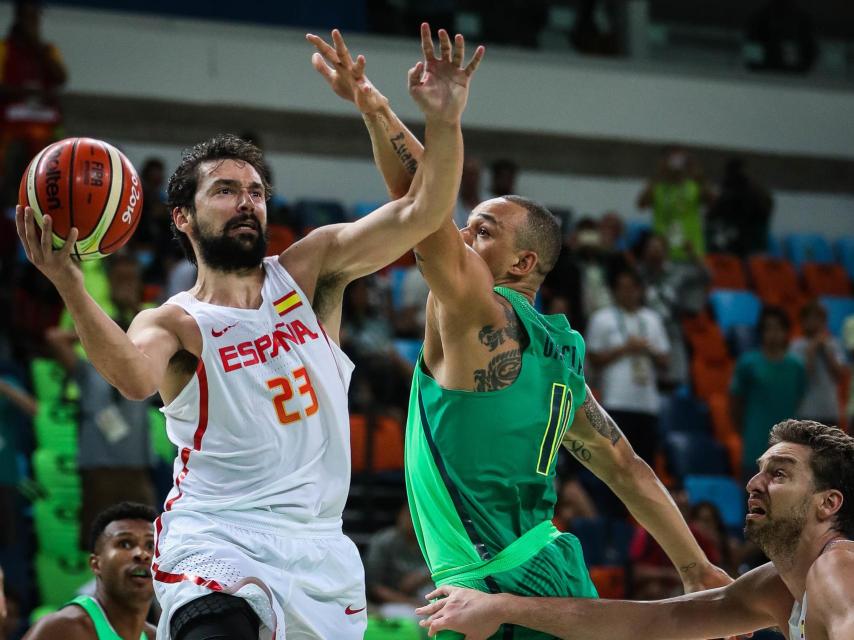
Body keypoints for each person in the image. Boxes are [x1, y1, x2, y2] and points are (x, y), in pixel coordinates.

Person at [17, 23, 483, 640]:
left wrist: (413, 113)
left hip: (318, 547)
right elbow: (132, 377)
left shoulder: (312, 269)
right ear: (183, 217)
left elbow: (425, 210)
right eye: (227, 190)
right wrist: (70, 285)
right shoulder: (175, 320)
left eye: (257, 192)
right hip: (216, 537)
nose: (247, 202)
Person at [310, 30, 731, 640]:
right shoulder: (562, 355)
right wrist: (695, 568)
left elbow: (420, 208)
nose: (462, 235)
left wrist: (396, 111)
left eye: (481, 231)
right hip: (557, 577)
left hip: (494, 587)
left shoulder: (479, 312)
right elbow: (628, 468)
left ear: (522, 265)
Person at [418, 420, 854, 640]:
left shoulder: (837, 570)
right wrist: (502, 607)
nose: (754, 484)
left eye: (779, 475)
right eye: (759, 471)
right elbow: (655, 619)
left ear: (828, 503)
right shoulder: (776, 587)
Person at [45, 253, 158, 547]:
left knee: (146, 542)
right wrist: (95, 331)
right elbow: (55, 338)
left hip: (136, 467)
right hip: (97, 467)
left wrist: (130, 310)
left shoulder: (146, 326)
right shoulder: (89, 370)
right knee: (98, 543)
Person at [23, 501, 158, 640]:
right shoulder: (62, 629)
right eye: (125, 543)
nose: (142, 554)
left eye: (150, 545)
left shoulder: (155, 636)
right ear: (96, 564)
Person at [586, 267, 670, 466]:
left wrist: (647, 350)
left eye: (632, 288)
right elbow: (593, 359)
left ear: (640, 290)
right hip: (615, 402)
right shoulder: (602, 318)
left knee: (646, 466)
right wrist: (625, 348)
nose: (628, 293)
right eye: (623, 288)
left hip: (647, 404)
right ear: (615, 291)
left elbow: (666, 361)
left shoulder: (652, 319)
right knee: (616, 465)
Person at [731, 306, 806, 481]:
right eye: (768, 328)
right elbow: (735, 402)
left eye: (778, 328)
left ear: (786, 332)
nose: (773, 333)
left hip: (787, 448)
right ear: (761, 332)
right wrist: (745, 431)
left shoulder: (796, 366)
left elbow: (798, 398)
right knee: (753, 502)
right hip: (754, 446)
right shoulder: (748, 363)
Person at [637, 147, 715, 262]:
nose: (675, 163)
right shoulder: (658, 186)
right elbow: (641, 205)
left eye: (680, 159)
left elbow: (712, 202)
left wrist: (698, 174)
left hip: (690, 249)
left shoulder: (693, 186)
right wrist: (659, 173)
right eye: (671, 158)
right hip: (663, 251)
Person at [364, 503, 433, 617]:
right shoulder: (383, 541)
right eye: (408, 515)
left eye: (416, 516)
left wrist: (422, 576)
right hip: (391, 602)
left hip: (424, 597)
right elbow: (375, 588)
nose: (411, 521)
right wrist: (409, 601)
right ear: (400, 516)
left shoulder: (430, 543)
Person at [789, 300, 846, 427]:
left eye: (818, 318)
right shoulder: (796, 346)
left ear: (824, 322)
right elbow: (802, 377)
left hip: (830, 411)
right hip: (805, 412)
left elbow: (840, 375)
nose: (813, 322)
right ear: (802, 321)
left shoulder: (834, 344)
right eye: (809, 318)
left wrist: (826, 350)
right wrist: (813, 348)